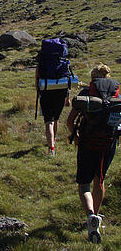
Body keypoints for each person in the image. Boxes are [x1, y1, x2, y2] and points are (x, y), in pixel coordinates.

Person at [67, 63, 120, 243]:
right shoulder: (117, 96)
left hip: (87, 142)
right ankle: (96, 216)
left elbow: (69, 121)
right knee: (100, 179)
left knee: (83, 183)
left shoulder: (85, 94)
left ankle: (90, 216)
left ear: (92, 78)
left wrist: (75, 137)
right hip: (108, 144)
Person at [35, 67, 70, 155]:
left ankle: (51, 149)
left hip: (46, 90)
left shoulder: (43, 61)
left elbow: (37, 77)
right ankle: (53, 141)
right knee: (55, 119)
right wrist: (67, 98)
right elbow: (67, 78)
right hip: (61, 90)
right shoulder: (62, 59)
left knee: (49, 121)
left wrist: (38, 91)